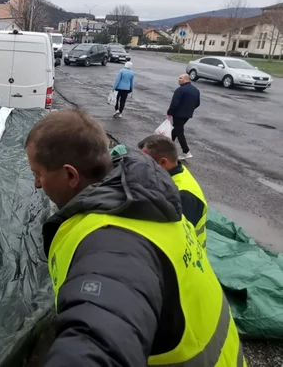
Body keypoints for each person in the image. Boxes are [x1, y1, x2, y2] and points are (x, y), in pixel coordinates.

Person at [25, 109, 244, 366]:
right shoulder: (146, 199)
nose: (37, 184)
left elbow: (100, 337)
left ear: (71, 175)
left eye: (37, 173)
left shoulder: (110, 245)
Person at [138, 134, 209, 247]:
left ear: (163, 162)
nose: (140, 166)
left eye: (145, 162)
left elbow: (175, 240)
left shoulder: (183, 196)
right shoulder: (173, 172)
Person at [168, 73, 200, 159]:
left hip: (178, 114)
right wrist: (189, 109)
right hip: (187, 114)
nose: (179, 80)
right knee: (175, 130)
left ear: (186, 79)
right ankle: (168, 147)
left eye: (180, 78)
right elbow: (197, 103)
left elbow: (174, 103)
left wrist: (170, 112)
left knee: (179, 132)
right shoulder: (196, 90)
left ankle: (186, 151)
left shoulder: (180, 90)